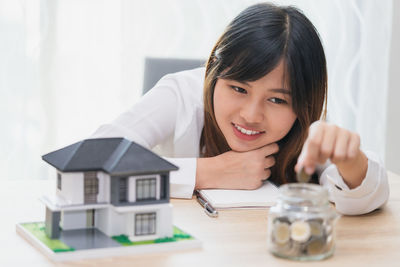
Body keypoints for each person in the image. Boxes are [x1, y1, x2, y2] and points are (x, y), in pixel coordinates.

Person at [92, 3, 389, 215]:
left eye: (277, 100)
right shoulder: (182, 93)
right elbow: (91, 160)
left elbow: (365, 197)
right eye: (238, 89)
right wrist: (207, 172)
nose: (250, 115)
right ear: (213, 72)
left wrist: (353, 164)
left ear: (303, 104)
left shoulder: (304, 130)